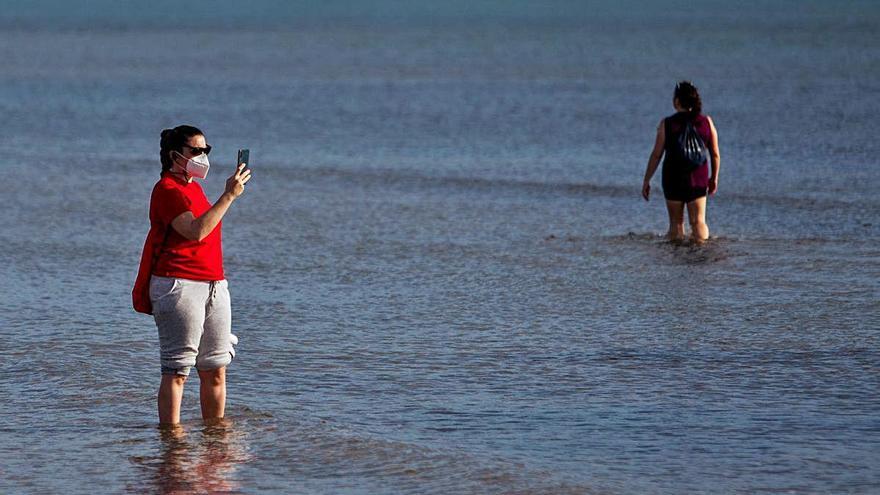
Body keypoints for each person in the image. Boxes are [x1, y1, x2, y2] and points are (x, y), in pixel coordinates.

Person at [132, 125, 252, 425]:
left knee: (216, 368)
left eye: (206, 150)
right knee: (177, 371)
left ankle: (214, 437)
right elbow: (196, 232)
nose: (203, 157)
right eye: (196, 151)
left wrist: (225, 197)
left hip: (214, 283)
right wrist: (228, 196)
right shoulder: (167, 190)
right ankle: (171, 441)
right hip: (179, 285)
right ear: (175, 155)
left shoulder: (192, 187)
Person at [641, 81, 721, 243]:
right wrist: (714, 178)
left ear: (677, 101)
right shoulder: (707, 122)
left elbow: (657, 154)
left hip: (673, 179)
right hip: (698, 178)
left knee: (676, 225)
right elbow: (715, 154)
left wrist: (647, 179)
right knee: (698, 222)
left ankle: (677, 259)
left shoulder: (667, 124)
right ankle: (701, 251)